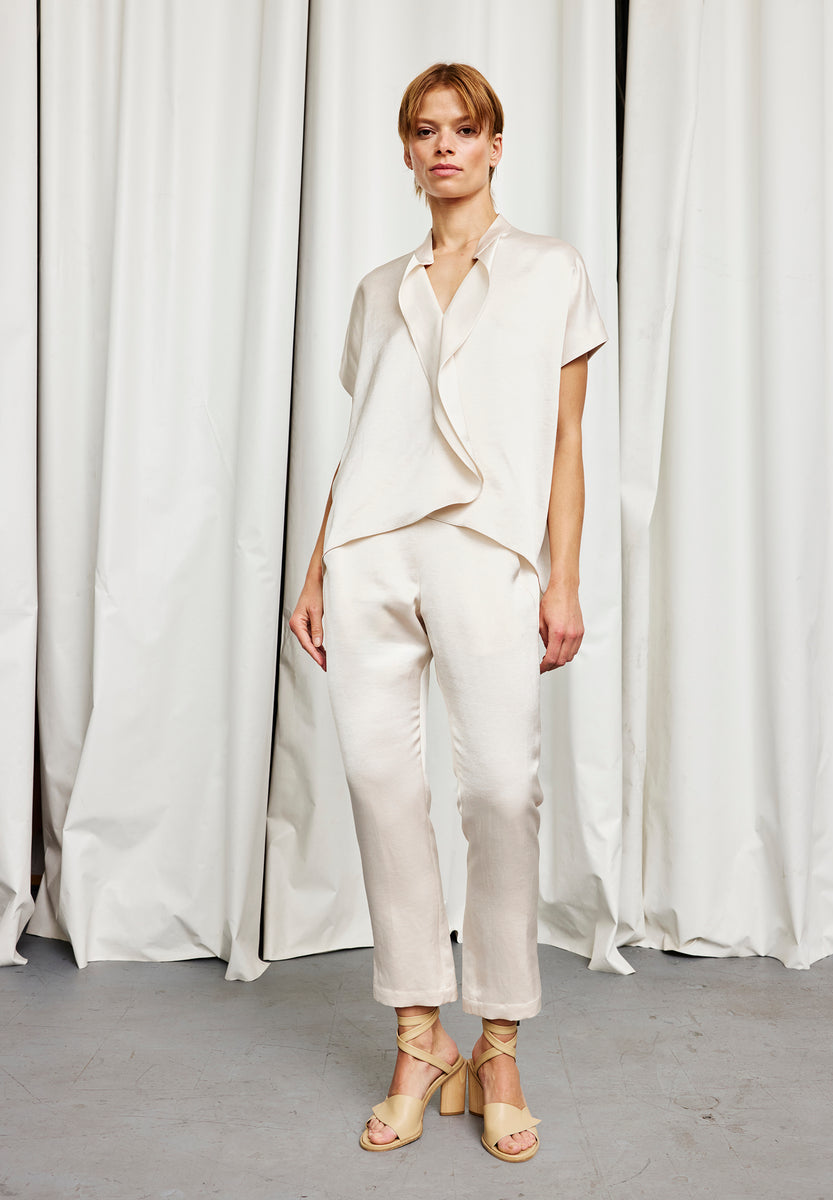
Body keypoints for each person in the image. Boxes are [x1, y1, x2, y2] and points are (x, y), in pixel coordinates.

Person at [289, 62, 607, 1161]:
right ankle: (421, 1036)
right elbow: (363, 437)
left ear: (495, 144)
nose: (443, 149)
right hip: (374, 547)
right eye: (425, 132)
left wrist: (561, 576)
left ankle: (502, 1037)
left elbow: (567, 441)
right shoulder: (380, 286)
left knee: (497, 788)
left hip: (486, 551)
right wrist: (321, 562)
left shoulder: (552, 269)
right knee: (382, 787)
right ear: (407, 149)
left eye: (463, 130)